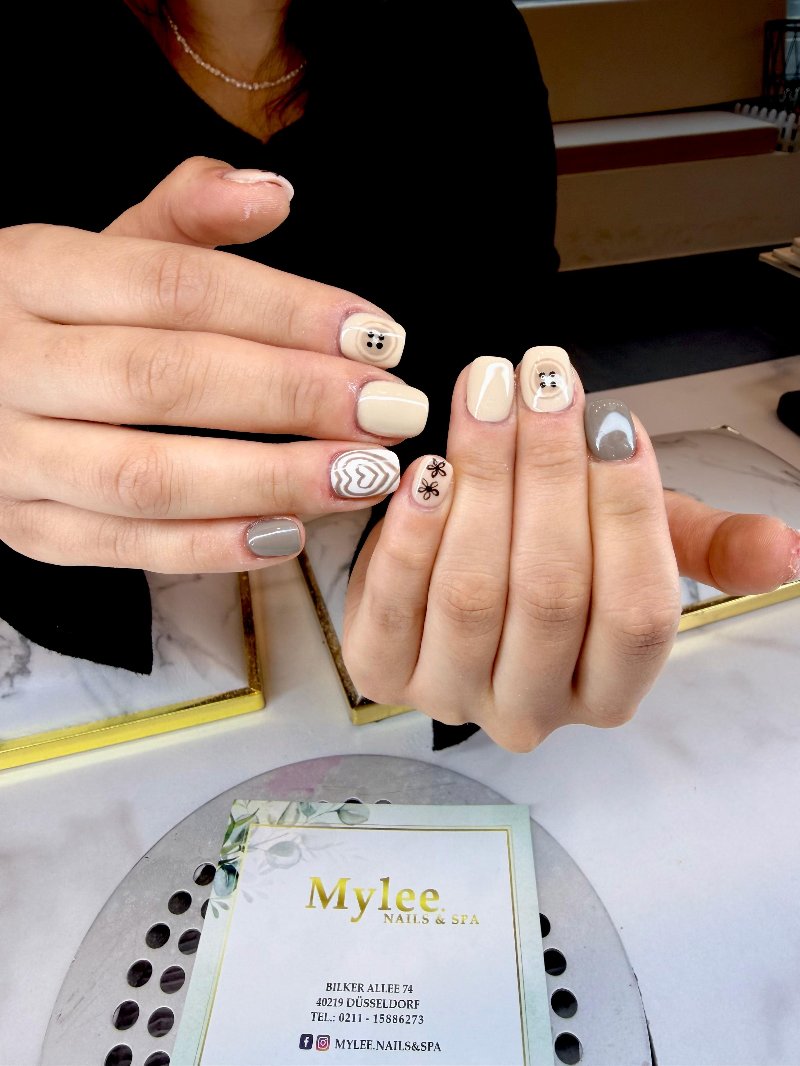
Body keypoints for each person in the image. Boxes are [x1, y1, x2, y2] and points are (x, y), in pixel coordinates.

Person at [0, 0, 796, 750]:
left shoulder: (464, 28)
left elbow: (509, 338)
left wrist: (527, 493)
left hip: (407, 600)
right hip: (67, 639)